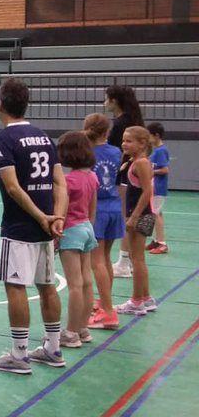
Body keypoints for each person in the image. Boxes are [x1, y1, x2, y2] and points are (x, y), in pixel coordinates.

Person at [0, 78, 68, 375]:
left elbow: (13, 188)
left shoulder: (4, 139)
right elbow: (60, 183)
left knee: (16, 285)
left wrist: (40, 217)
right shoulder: (44, 137)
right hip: (46, 228)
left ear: (1, 105)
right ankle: (53, 348)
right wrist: (55, 218)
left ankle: (19, 355)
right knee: (47, 285)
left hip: (20, 227)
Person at [56, 131, 98, 348]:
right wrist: (88, 226)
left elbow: (61, 210)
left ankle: (70, 333)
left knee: (74, 284)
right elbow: (93, 208)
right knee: (86, 281)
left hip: (71, 231)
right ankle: (83, 327)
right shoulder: (92, 176)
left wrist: (57, 234)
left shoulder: (67, 180)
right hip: (87, 228)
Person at [84, 114, 122, 331]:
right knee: (106, 258)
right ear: (107, 132)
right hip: (114, 206)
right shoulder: (116, 151)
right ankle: (106, 303)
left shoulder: (88, 153)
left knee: (96, 261)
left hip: (98, 208)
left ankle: (108, 312)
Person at [116, 127, 156, 316]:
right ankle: (146, 297)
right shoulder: (134, 162)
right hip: (140, 214)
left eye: (129, 141)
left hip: (140, 215)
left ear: (142, 143)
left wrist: (134, 216)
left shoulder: (141, 163)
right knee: (137, 259)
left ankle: (136, 301)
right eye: (124, 140)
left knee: (137, 260)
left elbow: (147, 191)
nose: (124, 144)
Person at [105, 85, 143, 277]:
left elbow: (116, 151)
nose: (105, 102)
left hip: (125, 177)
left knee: (125, 217)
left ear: (114, 101)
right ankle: (131, 261)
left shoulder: (121, 124)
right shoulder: (133, 120)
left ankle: (124, 263)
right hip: (132, 175)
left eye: (107, 99)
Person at [147, 123, 169, 255]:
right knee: (156, 213)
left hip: (158, 188)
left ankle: (162, 243)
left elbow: (165, 169)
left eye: (149, 136)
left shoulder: (161, 150)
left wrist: (150, 172)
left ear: (156, 135)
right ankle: (156, 240)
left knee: (156, 213)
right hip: (153, 187)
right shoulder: (155, 150)